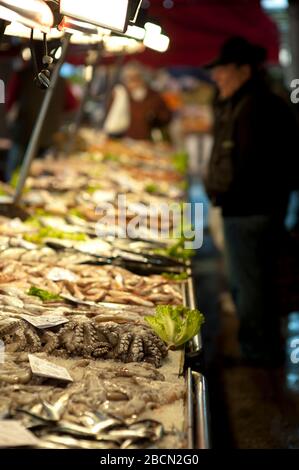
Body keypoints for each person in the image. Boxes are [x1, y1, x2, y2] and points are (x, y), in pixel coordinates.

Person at [205, 37, 299, 366]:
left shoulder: (258, 107)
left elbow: (266, 166)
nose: (216, 76)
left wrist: (232, 195)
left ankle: (258, 357)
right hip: (251, 210)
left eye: (222, 70)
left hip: (251, 212)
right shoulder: (244, 102)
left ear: (244, 70)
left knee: (250, 285)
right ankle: (259, 350)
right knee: (249, 282)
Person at [5, 44, 78, 182]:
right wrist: (54, 111)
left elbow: (9, 103)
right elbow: (72, 104)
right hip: (47, 136)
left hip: (23, 133)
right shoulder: (60, 79)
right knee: (39, 179)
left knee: (15, 177)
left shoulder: (22, 74)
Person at [104, 63, 172, 141]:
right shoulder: (120, 94)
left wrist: (154, 117)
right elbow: (110, 115)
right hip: (124, 138)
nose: (133, 82)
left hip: (148, 140)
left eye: (136, 77)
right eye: (129, 78)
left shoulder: (154, 96)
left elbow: (166, 117)